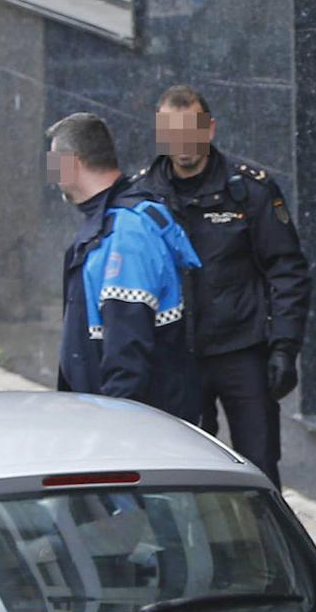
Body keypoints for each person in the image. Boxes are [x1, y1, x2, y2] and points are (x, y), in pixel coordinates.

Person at [140, 85, 311, 488]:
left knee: (258, 470)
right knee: (185, 475)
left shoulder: (250, 190)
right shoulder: (143, 195)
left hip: (242, 353)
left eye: (191, 130)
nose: (182, 143)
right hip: (176, 357)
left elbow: (287, 270)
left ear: (210, 129)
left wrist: (284, 347)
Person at [49, 112, 202, 420]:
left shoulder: (128, 233)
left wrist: (115, 427)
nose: (52, 175)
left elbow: (127, 349)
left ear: (73, 163)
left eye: (54, 163)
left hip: (133, 429)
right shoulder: (115, 221)